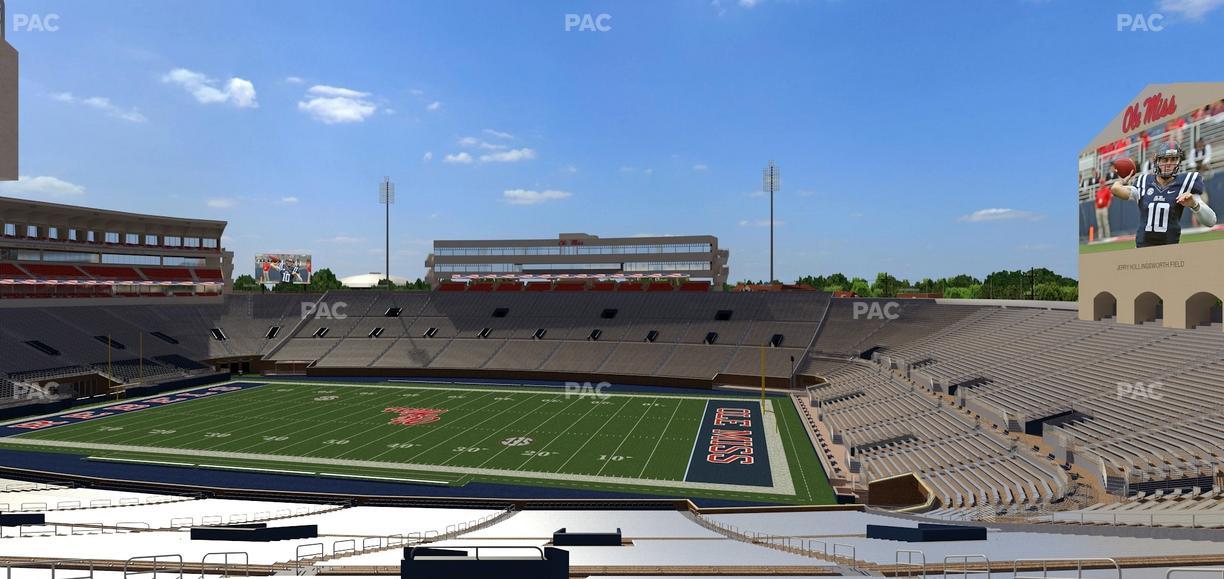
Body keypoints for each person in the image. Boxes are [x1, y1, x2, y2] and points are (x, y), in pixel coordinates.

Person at [1111, 143, 1216, 247]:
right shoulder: (1143, 181)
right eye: (1165, 160)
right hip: (1142, 247)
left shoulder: (1186, 182)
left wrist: (1195, 205)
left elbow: (1211, 221)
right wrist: (1122, 181)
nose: (1169, 164)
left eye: (1173, 159)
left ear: (1179, 161)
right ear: (1157, 161)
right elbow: (1115, 189)